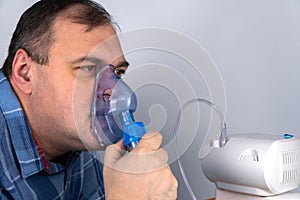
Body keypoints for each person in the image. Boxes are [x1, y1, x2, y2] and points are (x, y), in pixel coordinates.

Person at [0, 0, 178, 199]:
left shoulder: (79, 142)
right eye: (88, 68)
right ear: (24, 72)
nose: (114, 91)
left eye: (117, 73)